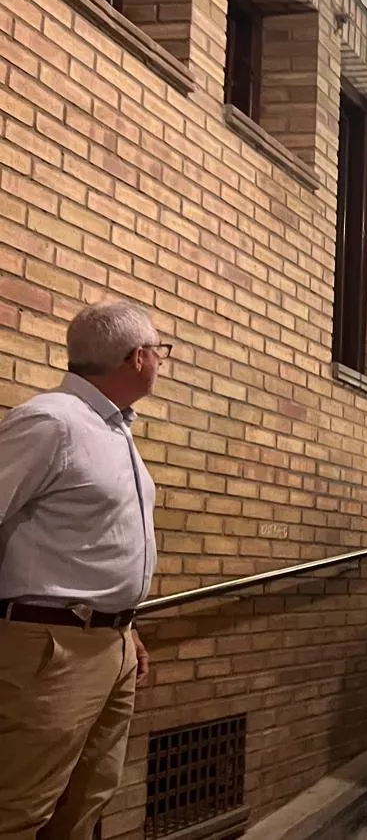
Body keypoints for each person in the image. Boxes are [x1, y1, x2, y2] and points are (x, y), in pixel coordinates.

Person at [0, 301, 163, 840]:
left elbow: (94, 543)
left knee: (88, 798)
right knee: (21, 807)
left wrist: (126, 627)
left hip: (109, 644)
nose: (161, 361)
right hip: (52, 648)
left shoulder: (114, 430)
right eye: (160, 351)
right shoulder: (52, 422)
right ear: (138, 357)